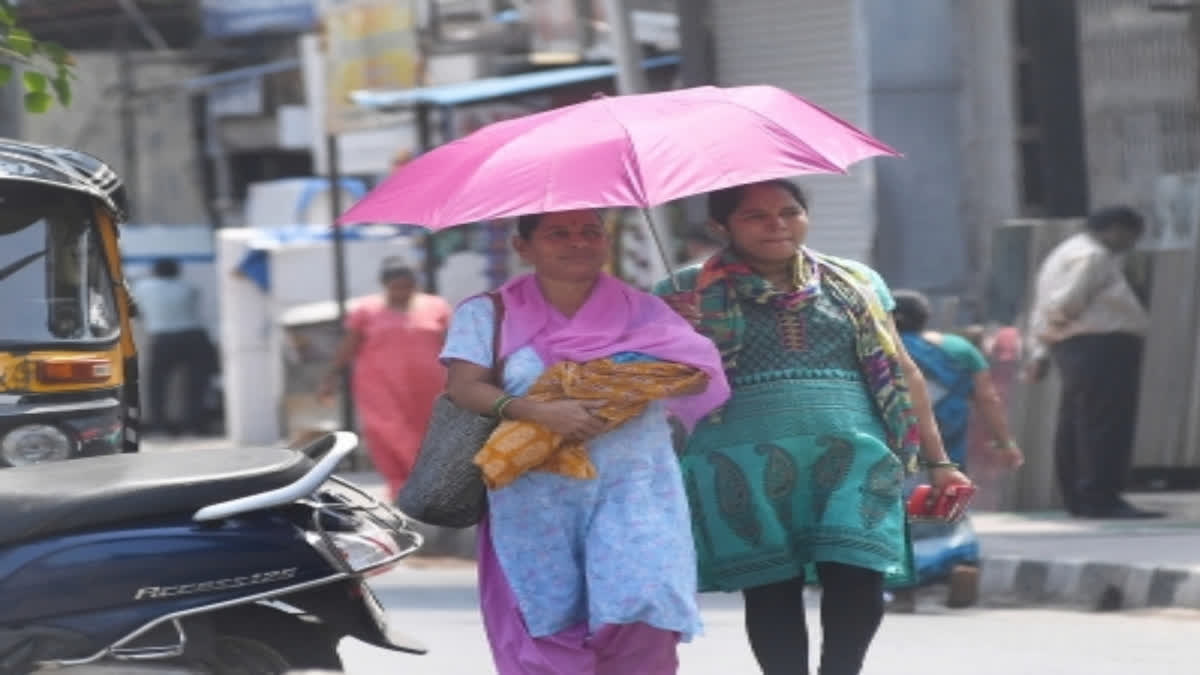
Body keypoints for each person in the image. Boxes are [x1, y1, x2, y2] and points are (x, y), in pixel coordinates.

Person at [654, 180, 971, 675]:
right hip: (739, 461)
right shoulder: (682, 292)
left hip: (855, 454)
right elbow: (666, 389)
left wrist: (940, 463)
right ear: (722, 226)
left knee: (860, 575)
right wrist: (679, 335)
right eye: (755, 216)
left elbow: (902, 369)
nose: (776, 224)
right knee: (770, 589)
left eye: (788, 211)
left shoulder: (857, 280)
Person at [440, 209, 729, 675]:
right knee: (548, 621)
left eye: (590, 232)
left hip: (635, 488)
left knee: (643, 604)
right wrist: (540, 411)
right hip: (531, 499)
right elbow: (464, 386)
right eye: (559, 233)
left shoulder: (648, 309)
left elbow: (696, 383)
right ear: (523, 247)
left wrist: (673, 352)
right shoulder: (488, 312)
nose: (578, 242)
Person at [889, 291, 1024, 609]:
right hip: (945, 444)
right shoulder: (958, 349)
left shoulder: (877, 347)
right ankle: (958, 565)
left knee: (897, 513)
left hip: (893, 445)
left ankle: (905, 586)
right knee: (942, 506)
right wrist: (1005, 442)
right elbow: (987, 398)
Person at [1025, 206, 1159, 519]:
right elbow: (1065, 303)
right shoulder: (1092, 255)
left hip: (1077, 346)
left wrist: (1041, 349)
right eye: (1131, 236)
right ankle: (1100, 496)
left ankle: (1081, 495)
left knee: (1079, 421)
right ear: (1116, 228)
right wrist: (1045, 344)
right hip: (1099, 345)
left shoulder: (1064, 253)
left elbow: (1044, 308)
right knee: (1105, 423)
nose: (1131, 244)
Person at [318, 259, 451, 498]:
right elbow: (349, 345)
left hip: (428, 387)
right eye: (396, 287)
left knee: (429, 434)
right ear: (385, 285)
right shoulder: (367, 310)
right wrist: (330, 378)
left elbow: (453, 345)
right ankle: (404, 486)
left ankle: (427, 486)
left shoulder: (436, 306)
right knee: (389, 433)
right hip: (379, 386)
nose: (402, 292)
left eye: (407, 286)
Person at [133, 257, 215, 436]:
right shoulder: (189, 288)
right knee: (195, 385)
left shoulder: (143, 287)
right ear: (177, 272)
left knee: (157, 384)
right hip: (194, 336)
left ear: (155, 272)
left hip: (163, 338)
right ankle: (193, 426)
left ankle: (158, 426)